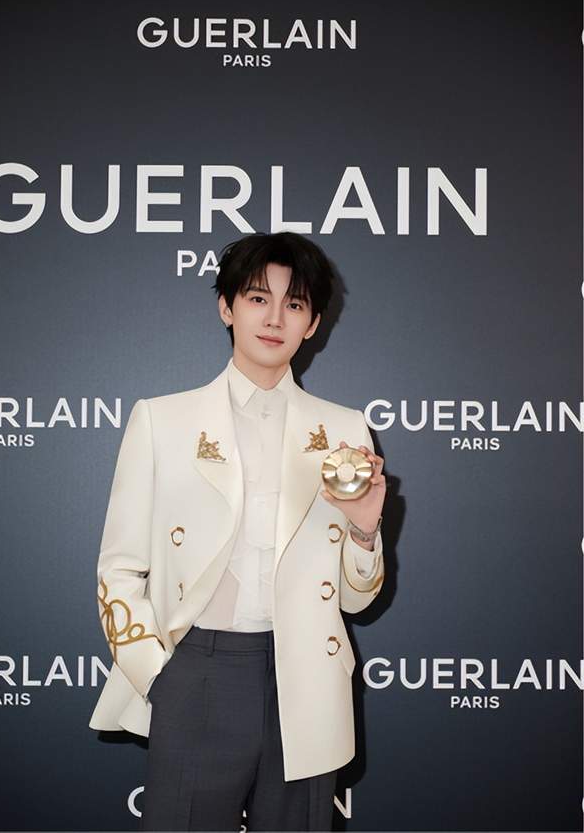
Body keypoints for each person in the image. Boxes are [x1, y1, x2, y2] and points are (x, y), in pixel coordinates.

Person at [88, 231, 387, 831]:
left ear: (313, 324)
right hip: (197, 670)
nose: (274, 318)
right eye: (257, 298)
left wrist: (364, 531)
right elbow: (118, 569)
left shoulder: (346, 430)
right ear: (227, 308)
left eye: (294, 304)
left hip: (307, 677)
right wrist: (159, 677)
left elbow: (357, 600)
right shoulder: (162, 421)